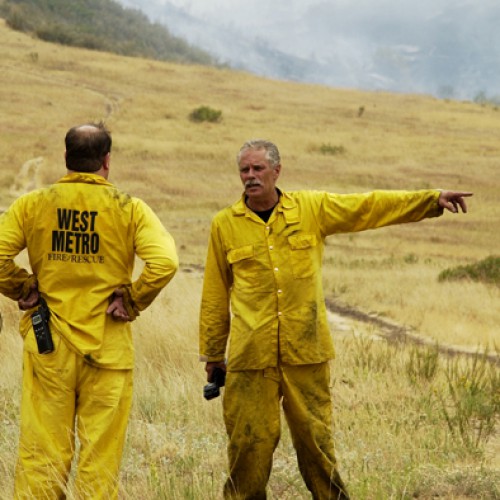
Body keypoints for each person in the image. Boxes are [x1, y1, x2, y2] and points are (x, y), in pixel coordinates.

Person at [199, 138, 472, 500]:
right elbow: (215, 293)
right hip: (251, 357)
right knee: (248, 447)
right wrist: (213, 355)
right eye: (244, 170)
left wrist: (429, 199)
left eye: (257, 168)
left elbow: (367, 207)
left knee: (317, 445)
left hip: (306, 352)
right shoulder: (225, 224)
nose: (250, 176)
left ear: (277, 171)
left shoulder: (312, 209)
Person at [0, 122, 179, 498]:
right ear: (107, 161)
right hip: (108, 349)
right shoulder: (130, 208)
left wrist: (23, 286)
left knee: (43, 456)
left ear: (66, 158)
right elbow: (165, 262)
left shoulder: (34, 204)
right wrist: (130, 299)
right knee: (100, 459)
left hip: (49, 349)